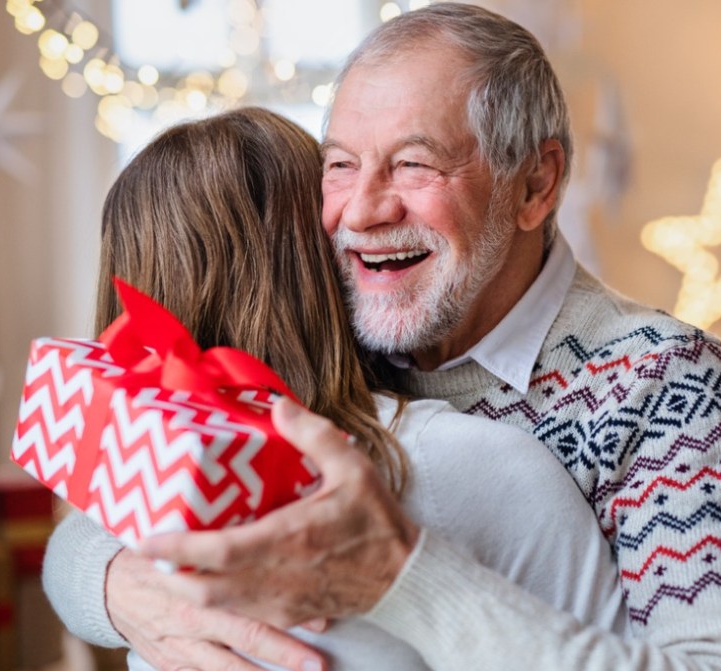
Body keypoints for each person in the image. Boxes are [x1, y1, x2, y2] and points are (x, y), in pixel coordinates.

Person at [52, 3, 721, 669]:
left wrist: (405, 579)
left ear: (535, 184)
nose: (361, 211)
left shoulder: (667, 382)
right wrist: (115, 585)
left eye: (413, 164)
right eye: (342, 165)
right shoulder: (335, 330)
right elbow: (95, 514)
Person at [42, 106, 628, 671]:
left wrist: (105, 582)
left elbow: (69, 545)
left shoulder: (133, 475)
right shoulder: (461, 460)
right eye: (340, 183)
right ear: (320, 257)